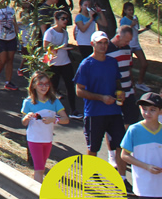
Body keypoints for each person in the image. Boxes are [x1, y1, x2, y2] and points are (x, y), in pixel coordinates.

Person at [76, 30, 126, 169]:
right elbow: (79, 91)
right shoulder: (86, 64)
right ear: (92, 44)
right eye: (100, 43)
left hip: (114, 111)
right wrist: (101, 98)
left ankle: (122, 179)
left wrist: (120, 93)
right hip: (94, 112)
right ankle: (91, 175)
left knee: (120, 145)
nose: (103, 46)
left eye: (105, 43)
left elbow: (117, 82)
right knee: (93, 148)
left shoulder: (112, 62)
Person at [21, 71, 69, 182]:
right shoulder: (28, 102)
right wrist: (27, 117)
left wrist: (54, 119)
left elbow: (65, 120)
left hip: (47, 139)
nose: (44, 87)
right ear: (34, 85)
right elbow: (24, 123)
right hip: (34, 139)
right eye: (40, 84)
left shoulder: (54, 102)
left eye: (47, 83)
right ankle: (37, 195)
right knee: (39, 168)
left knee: (42, 168)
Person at [121, 92, 162, 199]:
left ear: (160, 111)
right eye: (144, 109)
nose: (147, 113)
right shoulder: (134, 130)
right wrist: (147, 166)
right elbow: (124, 155)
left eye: (152, 110)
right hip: (145, 184)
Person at [46, 10, 81, 119]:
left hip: (65, 62)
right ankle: (51, 109)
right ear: (56, 19)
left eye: (67, 19)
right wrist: (59, 48)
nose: (65, 21)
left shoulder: (65, 33)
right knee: (53, 87)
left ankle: (73, 110)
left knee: (70, 86)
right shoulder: (50, 32)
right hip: (54, 63)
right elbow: (46, 47)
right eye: (63, 19)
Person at [120, 1, 153, 92]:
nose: (131, 12)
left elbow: (135, 32)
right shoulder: (124, 20)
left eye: (132, 10)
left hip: (136, 44)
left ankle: (140, 82)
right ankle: (132, 84)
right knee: (129, 66)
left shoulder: (135, 19)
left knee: (144, 63)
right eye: (129, 10)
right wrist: (131, 25)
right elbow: (123, 31)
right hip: (128, 45)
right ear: (125, 11)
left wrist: (145, 29)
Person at [0, 0, 20, 90]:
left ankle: (8, 82)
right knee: (2, 60)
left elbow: (14, 23)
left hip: (11, 37)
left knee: (10, 59)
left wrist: (18, 35)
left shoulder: (11, 9)